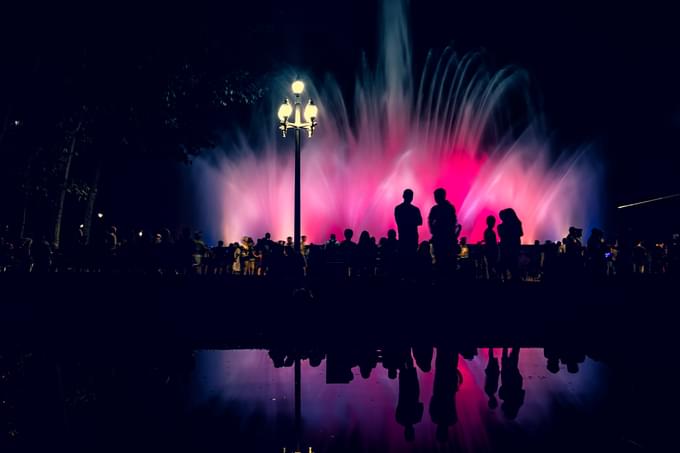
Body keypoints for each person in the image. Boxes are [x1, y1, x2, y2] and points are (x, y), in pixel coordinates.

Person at [428, 188, 459, 273]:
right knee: (448, 261)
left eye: (436, 196)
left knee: (440, 260)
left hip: (440, 238)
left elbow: (430, 220)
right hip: (448, 238)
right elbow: (454, 221)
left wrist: (433, 230)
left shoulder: (436, 209)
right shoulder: (449, 207)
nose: (435, 198)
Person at [395, 189, 423, 260]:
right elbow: (420, 222)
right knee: (412, 258)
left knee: (403, 258)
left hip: (403, 236)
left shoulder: (398, 208)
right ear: (412, 198)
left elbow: (399, 222)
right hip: (412, 237)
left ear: (403, 196)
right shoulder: (415, 209)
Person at [498, 208, 523, 281]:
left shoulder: (502, 226)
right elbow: (520, 234)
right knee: (514, 266)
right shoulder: (517, 223)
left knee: (507, 265)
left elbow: (503, 236)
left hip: (506, 248)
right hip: (514, 247)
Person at [483, 215, 499, 279]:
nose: (493, 224)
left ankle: (491, 279)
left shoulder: (487, 231)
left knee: (490, 266)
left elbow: (487, 241)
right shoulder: (490, 232)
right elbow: (492, 242)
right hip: (491, 251)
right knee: (492, 266)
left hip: (489, 251)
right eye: (493, 222)